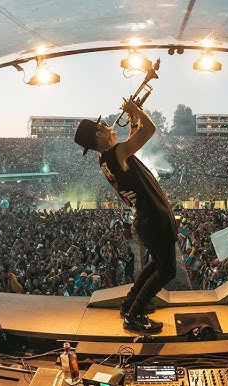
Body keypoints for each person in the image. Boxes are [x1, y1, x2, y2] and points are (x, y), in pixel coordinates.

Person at [74, 99, 177, 334]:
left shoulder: (107, 159)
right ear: (99, 134)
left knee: (156, 264)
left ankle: (130, 303)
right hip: (153, 217)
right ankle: (134, 314)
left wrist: (132, 121)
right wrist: (137, 111)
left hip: (146, 218)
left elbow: (133, 140)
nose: (111, 127)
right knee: (167, 270)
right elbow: (150, 130)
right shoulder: (117, 152)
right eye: (106, 127)